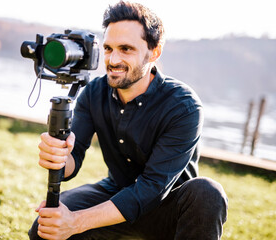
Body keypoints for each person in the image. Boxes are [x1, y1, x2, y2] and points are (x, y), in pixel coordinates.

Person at [29, 1, 228, 239]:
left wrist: (76, 222)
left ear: (154, 52)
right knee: (46, 226)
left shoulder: (184, 106)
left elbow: (153, 188)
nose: (113, 60)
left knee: (208, 193)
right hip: (115, 193)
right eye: (109, 48)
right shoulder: (93, 93)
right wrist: (60, 155)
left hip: (167, 207)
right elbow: (73, 161)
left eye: (126, 49)